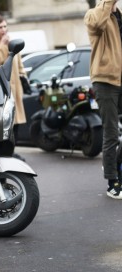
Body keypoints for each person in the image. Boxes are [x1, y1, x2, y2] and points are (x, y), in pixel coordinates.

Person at [85, 0, 122, 199]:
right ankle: (112, 181)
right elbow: (98, 23)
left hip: (121, 79)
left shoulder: (120, 16)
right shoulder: (93, 14)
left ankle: (115, 166)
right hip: (105, 81)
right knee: (111, 132)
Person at [0, 14, 27, 161]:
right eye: (0, 27)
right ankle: (4, 154)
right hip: (2, 89)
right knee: (6, 123)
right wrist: (3, 45)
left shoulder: (11, 40)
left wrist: (23, 75)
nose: (3, 29)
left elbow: (18, 61)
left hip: (16, 88)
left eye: (5, 26)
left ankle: (11, 153)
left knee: (16, 123)